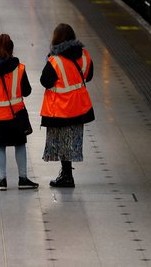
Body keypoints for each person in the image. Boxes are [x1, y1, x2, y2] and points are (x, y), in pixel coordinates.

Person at [0, 33, 38, 190]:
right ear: (12, 49)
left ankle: (2, 181)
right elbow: (26, 91)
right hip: (14, 116)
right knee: (20, 144)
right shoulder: (19, 69)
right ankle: (23, 179)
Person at [40, 23, 94, 187]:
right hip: (79, 108)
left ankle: (67, 175)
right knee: (71, 141)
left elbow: (45, 81)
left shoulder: (55, 60)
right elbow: (89, 76)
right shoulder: (84, 55)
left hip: (60, 109)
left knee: (61, 142)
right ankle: (66, 174)